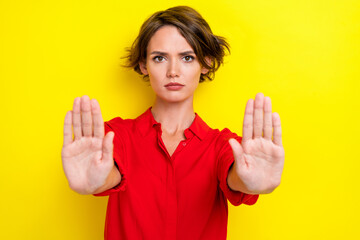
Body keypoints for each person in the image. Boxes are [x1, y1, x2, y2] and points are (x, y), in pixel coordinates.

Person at [61, 6, 284, 240]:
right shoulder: (114, 137)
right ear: (144, 65)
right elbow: (109, 173)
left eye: (187, 58)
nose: (173, 71)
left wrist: (251, 183)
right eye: (159, 58)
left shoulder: (224, 146)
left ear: (205, 63)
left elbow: (237, 177)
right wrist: (95, 182)